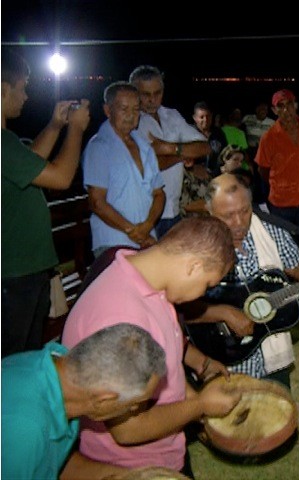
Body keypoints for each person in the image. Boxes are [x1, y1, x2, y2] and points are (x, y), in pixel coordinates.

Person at [61, 217, 241, 476]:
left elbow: (169, 364)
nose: (202, 294)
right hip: (130, 468)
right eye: (207, 285)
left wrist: (191, 396)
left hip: (165, 446)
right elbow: (127, 430)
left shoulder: (149, 281)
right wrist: (199, 405)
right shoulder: (121, 316)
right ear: (193, 266)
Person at [188, 173, 299, 389]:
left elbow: (297, 265)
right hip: (221, 361)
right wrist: (224, 313)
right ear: (210, 212)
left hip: (271, 359)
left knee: (279, 417)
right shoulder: (193, 245)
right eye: (228, 216)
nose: (239, 222)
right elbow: (178, 308)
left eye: (245, 211)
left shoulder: (269, 231)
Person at [1, 47, 91, 358]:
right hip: (14, 278)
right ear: (3, 89)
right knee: (15, 362)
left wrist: (55, 125)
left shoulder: (9, 144)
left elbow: (33, 163)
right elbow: (61, 178)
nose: (25, 97)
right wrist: (76, 130)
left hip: (19, 275)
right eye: (22, 88)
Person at [2, 323, 167, 480]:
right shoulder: (22, 428)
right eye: (134, 404)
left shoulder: (60, 372)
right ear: (104, 401)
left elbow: (49, 464)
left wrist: (129, 476)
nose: (135, 409)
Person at [83, 81, 165, 258]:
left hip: (146, 238)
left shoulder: (145, 146)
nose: (131, 115)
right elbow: (97, 202)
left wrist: (147, 226)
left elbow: (159, 193)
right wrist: (133, 231)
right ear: (108, 110)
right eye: (124, 109)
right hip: (113, 243)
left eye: (136, 110)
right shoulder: (99, 146)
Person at [129, 65, 212, 238]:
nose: (153, 99)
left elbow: (204, 147)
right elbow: (149, 165)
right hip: (144, 215)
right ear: (134, 93)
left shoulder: (171, 115)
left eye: (157, 93)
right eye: (146, 94)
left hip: (173, 209)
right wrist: (183, 155)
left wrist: (168, 148)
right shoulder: (130, 123)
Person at [255, 88, 299, 262]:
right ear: (274, 110)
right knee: (284, 247)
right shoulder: (268, 137)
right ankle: (289, 285)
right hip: (280, 203)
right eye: (281, 106)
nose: (286, 110)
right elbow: (262, 169)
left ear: (296, 105)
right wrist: (278, 184)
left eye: (289, 105)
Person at [191, 100, 227, 172]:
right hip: (193, 177)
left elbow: (225, 155)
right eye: (202, 117)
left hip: (215, 177)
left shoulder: (219, 134)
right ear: (195, 118)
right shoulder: (188, 134)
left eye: (208, 116)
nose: (205, 120)